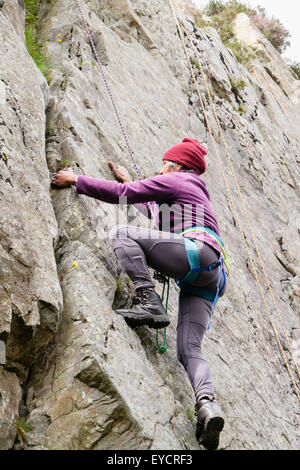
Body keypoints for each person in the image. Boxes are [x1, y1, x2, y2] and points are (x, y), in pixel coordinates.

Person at [51, 137, 228, 450]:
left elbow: (123, 195)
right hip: (210, 273)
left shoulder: (177, 179)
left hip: (193, 253)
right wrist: (131, 181)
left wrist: (76, 179)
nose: (160, 170)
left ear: (176, 165)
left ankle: (149, 300)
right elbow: (155, 209)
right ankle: (207, 406)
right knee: (189, 350)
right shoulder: (190, 190)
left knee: (121, 234)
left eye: (164, 164)